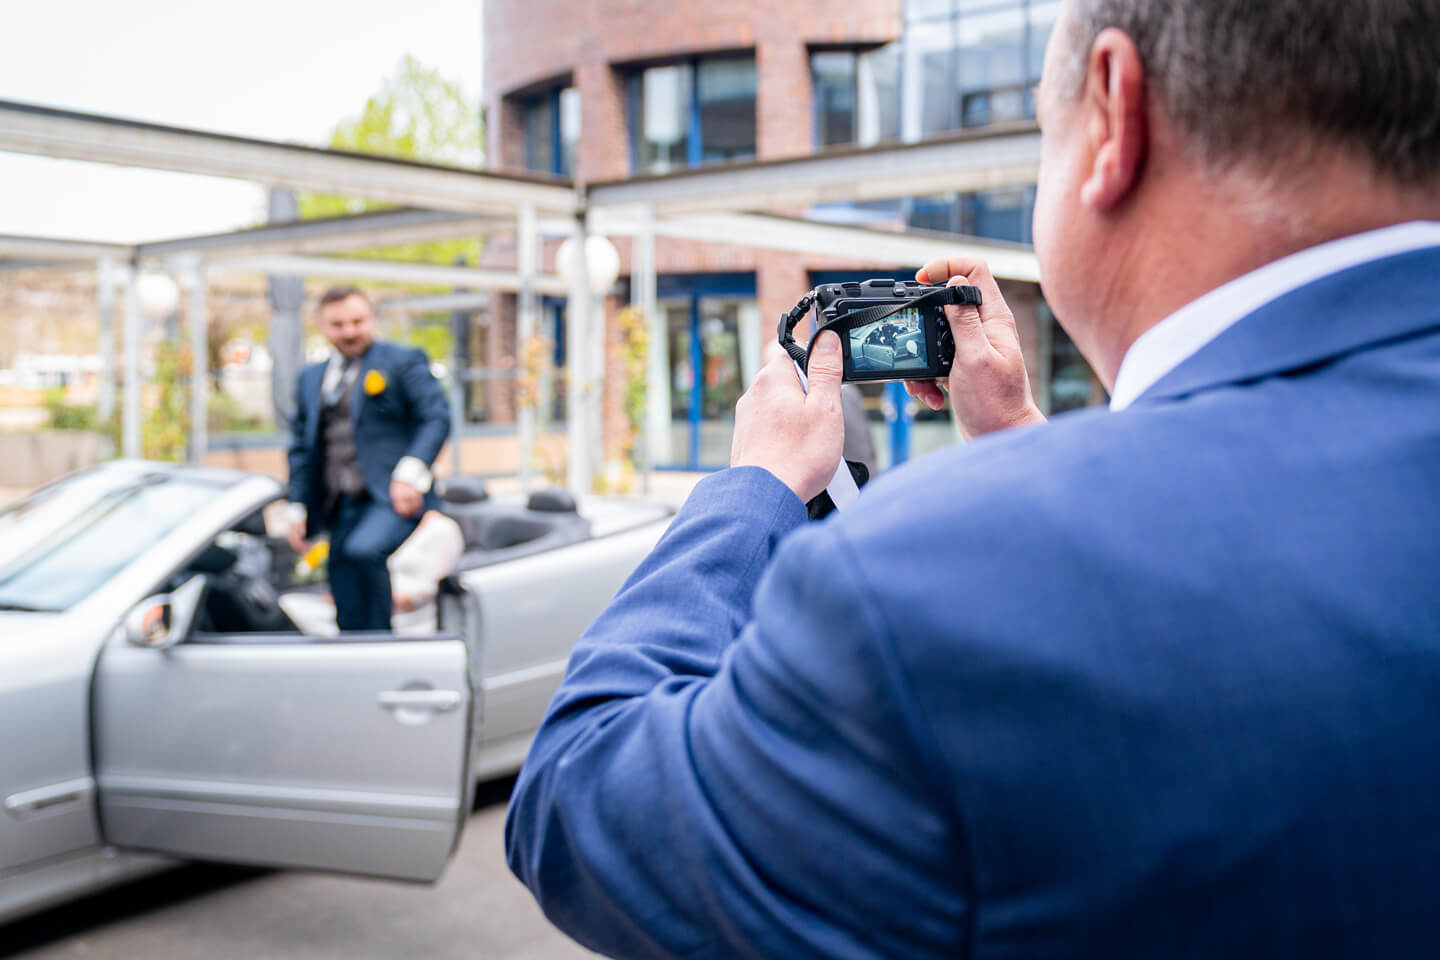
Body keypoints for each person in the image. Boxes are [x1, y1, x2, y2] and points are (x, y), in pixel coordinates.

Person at [506, 0, 1440, 957]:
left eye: (1043, 133)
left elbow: (582, 804)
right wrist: (1022, 442)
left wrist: (757, 486)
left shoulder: (925, 580)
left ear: (1114, 112)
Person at [286, 286, 450, 632]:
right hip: (337, 501)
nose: (349, 332)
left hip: (390, 495)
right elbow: (301, 446)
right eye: (338, 324)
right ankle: (351, 645)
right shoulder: (310, 378)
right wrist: (297, 505)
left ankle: (379, 643)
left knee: (364, 551)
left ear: (372, 319)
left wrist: (410, 473)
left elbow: (436, 418)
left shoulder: (403, 361)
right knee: (340, 567)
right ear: (322, 327)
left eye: (357, 322)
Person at [389, 509, 465, 635]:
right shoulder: (395, 525)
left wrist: (387, 600)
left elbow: (435, 583)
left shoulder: (442, 529)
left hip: (414, 620)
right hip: (385, 613)